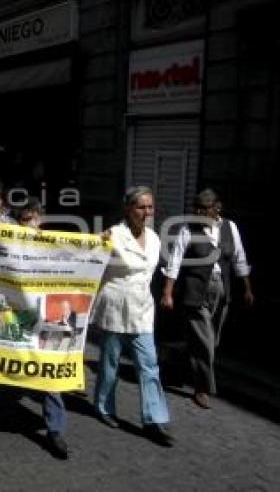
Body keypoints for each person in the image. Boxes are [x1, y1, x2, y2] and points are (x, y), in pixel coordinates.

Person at [0, 196, 70, 459]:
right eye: (24, 220)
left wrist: (101, 242)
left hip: (43, 316)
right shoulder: (5, 242)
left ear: (40, 219)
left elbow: (78, 258)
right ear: (16, 222)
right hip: (6, 311)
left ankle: (56, 430)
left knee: (50, 370)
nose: (30, 225)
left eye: (34, 218)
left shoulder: (51, 244)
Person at [90, 186, 173, 447]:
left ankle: (154, 420)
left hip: (142, 309)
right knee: (110, 363)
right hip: (115, 306)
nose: (146, 212)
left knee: (149, 365)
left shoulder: (155, 238)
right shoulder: (113, 235)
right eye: (141, 207)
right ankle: (104, 408)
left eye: (150, 207)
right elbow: (87, 259)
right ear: (128, 209)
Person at [161, 188, 253, 409]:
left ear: (217, 208)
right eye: (196, 208)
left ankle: (177, 367)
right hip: (196, 291)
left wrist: (247, 288)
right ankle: (202, 388)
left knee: (212, 340)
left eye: (204, 208)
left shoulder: (230, 228)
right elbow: (174, 261)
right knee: (206, 342)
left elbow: (240, 259)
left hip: (223, 291)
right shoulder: (187, 229)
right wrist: (167, 292)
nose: (199, 211)